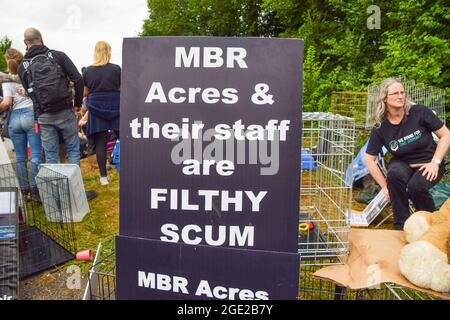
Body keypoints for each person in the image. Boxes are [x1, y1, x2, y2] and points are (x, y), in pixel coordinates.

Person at [18, 27, 96, 200]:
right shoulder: (58, 56)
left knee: (51, 156)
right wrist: (76, 105)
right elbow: (78, 79)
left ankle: (58, 198)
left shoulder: (22, 67)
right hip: (65, 111)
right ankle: (76, 195)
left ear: (25, 43)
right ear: (42, 39)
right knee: (73, 151)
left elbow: (29, 92)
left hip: (44, 117)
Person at [364, 78, 450, 230]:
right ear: (385, 98)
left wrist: (435, 162)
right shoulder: (380, 127)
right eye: (395, 93)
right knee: (394, 176)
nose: (400, 96)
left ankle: (433, 225)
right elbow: (369, 159)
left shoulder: (419, 112)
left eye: (402, 92)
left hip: (429, 161)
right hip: (403, 162)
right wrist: (384, 186)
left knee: (416, 187)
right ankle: (401, 226)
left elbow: (446, 135)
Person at [0, 49, 42, 200]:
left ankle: (25, 192)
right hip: (30, 115)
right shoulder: (28, 71)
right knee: (36, 155)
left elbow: (7, 102)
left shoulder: (7, 78)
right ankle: (35, 188)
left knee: (20, 158)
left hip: (15, 119)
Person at [82, 41, 121, 186]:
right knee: (125, 138)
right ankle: (130, 168)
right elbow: (121, 88)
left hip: (96, 106)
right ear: (108, 52)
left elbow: (85, 92)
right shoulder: (116, 69)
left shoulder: (87, 71)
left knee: (101, 143)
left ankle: (103, 177)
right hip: (116, 106)